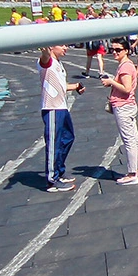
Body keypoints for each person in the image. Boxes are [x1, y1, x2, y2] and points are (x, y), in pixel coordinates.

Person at [38, 44, 85, 192]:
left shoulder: (58, 63)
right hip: (52, 108)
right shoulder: (47, 62)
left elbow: (61, 85)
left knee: (68, 138)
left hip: (62, 106)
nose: (66, 48)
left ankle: (59, 169)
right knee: (54, 143)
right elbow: (45, 58)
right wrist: (45, 49)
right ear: (52, 46)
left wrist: (76, 86)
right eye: (62, 45)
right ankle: (52, 179)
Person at [101, 41, 138, 185]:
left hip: (123, 106)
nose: (114, 52)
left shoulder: (125, 67)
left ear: (126, 50)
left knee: (129, 140)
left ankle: (132, 173)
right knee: (134, 137)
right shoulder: (127, 65)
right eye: (112, 49)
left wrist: (111, 82)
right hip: (128, 105)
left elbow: (126, 88)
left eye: (118, 50)